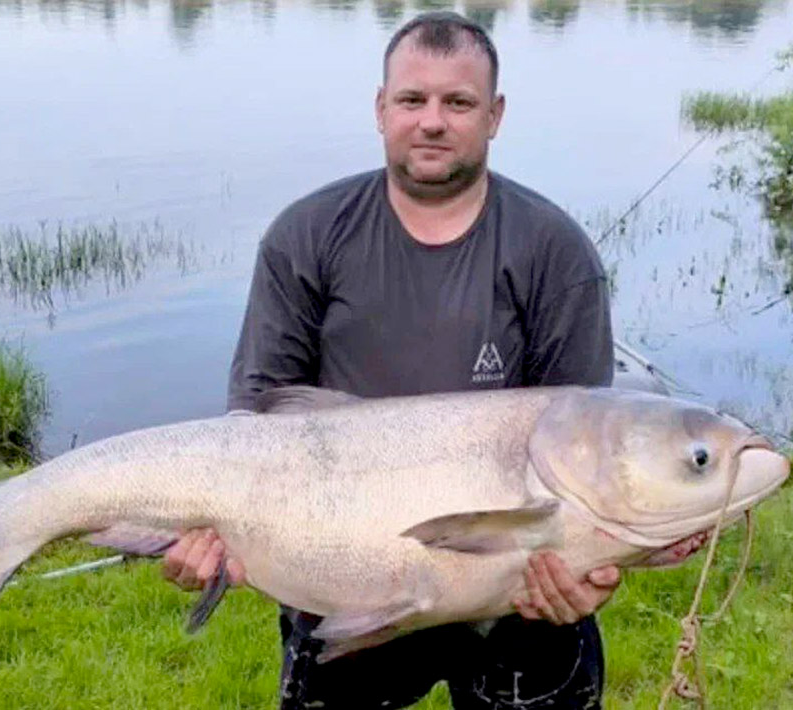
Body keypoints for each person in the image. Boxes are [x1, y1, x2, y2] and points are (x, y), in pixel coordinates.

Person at [162, 11, 622, 709]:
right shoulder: (306, 235)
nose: (432, 121)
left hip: (515, 589)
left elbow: (587, 460)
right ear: (381, 109)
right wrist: (213, 531)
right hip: (346, 576)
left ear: (494, 115)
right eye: (412, 99)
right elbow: (253, 427)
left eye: (458, 102)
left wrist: (590, 568)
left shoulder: (556, 252)